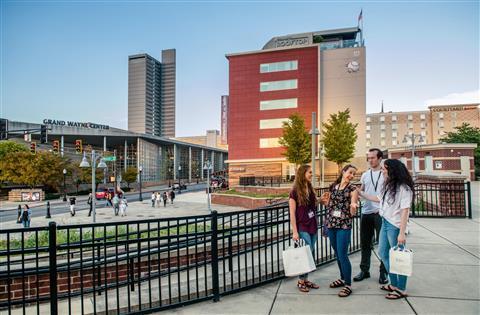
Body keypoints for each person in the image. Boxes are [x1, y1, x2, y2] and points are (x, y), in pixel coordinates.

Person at [359, 159, 413, 300]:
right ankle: (393, 283)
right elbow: (377, 199)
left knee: (398, 258)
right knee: (383, 252)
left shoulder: (404, 188)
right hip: (385, 222)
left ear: (392, 170)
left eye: (384, 169)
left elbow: (405, 211)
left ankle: (401, 288)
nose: (382, 171)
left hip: (395, 226)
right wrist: (360, 193)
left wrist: (402, 232)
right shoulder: (388, 185)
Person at [354, 148, 388, 284]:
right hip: (366, 212)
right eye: (368, 158)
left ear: (380, 158)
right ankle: (364, 270)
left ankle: (383, 272)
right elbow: (361, 191)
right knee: (365, 243)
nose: (370, 160)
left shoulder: (385, 174)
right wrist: (353, 199)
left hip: (381, 213)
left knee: (383, 245)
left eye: (373, 158)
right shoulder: (365, 175)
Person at [325, 164, 359, 297]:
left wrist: (353, 206)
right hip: (332, 224)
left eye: (353, 174)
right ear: (343, 171)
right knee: (337, 254)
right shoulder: (333, 186)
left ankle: (348, 285)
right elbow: (329, 204)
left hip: (344, 225)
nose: (351, 176)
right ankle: (343, 278)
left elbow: (352, 211)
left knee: (343, 254)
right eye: (350, 172)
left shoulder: (353, 189)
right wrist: (323, 201)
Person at [288, 164, 320, 293]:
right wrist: (295, 231)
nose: (312, 175)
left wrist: (320, 200)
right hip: (302, 226)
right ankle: (301, 280)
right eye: (310, 172)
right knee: (306, 253)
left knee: (310, 253)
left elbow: (313, 204)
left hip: (312, 223)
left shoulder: (310, 188)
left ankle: (306, 280)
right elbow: (292, 212)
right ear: (303, 174)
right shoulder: (294, 191)